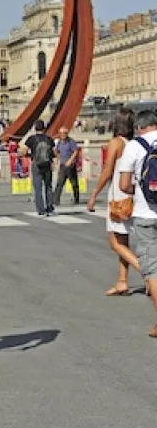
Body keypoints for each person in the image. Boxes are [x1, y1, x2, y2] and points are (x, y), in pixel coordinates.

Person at [87, 108, 140, 296]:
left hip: (118, 195)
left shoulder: (116, 143)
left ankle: (147, 273)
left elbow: (107, 171)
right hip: (132, 195)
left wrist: (94, 194)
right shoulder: (133, 143)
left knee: (114, 242)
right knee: (122, 239)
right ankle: (122, 281)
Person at [117, 110, 157, 338]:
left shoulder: (134, 145)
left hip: (146, 214)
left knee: (152, 269)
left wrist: (143, 189)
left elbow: (124, 185)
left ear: (140, 127)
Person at [19, 120, 55, 216]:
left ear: (35, 128)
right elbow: (55, 152)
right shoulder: (49, 139)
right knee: (48, 186)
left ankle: (40, 209)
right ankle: (50, 207)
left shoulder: (32, 139)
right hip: (47, 164)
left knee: (38, 188)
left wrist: (27, 154)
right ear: (44, 128)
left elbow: (23, 151)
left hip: (36, 164)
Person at [53, 127, 81, 206]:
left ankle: (76, 199)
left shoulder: (71, 141)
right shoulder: (59, 142)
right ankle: (56, 201)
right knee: (59, 183)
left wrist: (70, 160)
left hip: (70, 166)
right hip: (62, 165)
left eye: (64, 133)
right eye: (61, 133)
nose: (63, 135)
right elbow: (57, 151)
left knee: (74, 183)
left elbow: (76, 151)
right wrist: (57, 156)